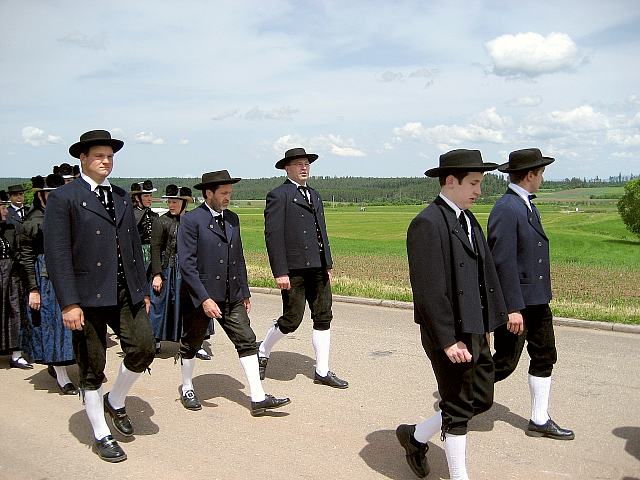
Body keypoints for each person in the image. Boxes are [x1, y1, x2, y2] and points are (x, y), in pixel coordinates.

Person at [44, 130, 156, 463]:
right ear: (83, 158)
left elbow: (134, 247)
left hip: (125, 292)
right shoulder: (64, 198)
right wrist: (69, 302)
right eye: (98, 156)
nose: (105, 161)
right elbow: (58, 254)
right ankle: (101, 433)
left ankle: (116, 400)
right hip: (86, 295)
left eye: (109, 156)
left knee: (144, 348)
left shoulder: (121, 196)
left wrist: (142, 290)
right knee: (92, 366)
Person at [399, 149, 507, 480]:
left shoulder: (469, 219)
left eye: (480, 183)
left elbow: (483, 276)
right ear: (450, 181)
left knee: (482, 398)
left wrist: (488, 324)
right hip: (447, 334)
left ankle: (415, 436)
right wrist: (448, 340)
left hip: (474, 328)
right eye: (473, 183)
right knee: (459, 407)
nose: (478, 190)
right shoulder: (427, 224)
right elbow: (429, 292)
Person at [177, 170, 290, 416]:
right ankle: (187, 386)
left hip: (231, 295)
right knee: (192, 341)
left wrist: (244, 291)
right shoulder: (191, 221)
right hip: (200, 296)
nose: (228, 197)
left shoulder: (233, 219)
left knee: (247, 339)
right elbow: (186, 264)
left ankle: (258, 397)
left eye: (230, 192)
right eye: (224, 193)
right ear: (208, 193)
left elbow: (237, 258)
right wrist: (204, 298)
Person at [488, 148, 574, 441]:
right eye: (540, 173)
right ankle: (455, 405)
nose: (542, 178)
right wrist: (512, 307)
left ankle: (539, 419)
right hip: (519, 305)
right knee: (503, 363)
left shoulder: (525, 205)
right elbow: (502, 261)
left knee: (545, 354)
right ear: (529, 175)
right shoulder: (507, 208)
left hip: (537, 301)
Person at [258, 147, 348, 389]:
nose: (304, 167)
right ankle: (263, 349)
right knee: (291, 319)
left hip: (317, 267)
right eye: (299, 164)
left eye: (307, 163)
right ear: (287, 168)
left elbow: (322, 231)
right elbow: (273, 236)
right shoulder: (278, 195)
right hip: (294, 269)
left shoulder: (315, 195)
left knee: (323, 316)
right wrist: (280, 271)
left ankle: (322, 370)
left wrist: (327, 263)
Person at [19, 173, 77, 394]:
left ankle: (64, 365)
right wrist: (33, 289)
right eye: (50, 195)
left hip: (68, 273)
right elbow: (25, 257)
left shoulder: (66, 216)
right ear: (41, 196)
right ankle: (62, 375)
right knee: (53, 326)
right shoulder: (32, 222)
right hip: (45, 280)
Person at [149, 185, 191, 350]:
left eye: (175, 202)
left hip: (186, 270)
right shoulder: (161, 221)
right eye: (169, 202)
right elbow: (155, 248)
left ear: (183, 203)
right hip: (167, 268)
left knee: (188, 306)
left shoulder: (191, 221)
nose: (171, 205)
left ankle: (193, 342)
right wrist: (157, 274)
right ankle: (155, 339)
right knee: (159, 305)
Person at [0, 190, 31, 369]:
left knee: (15, 310)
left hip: (11, 275)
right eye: (3, 207)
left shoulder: (10, 229)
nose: (6, 212)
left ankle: (16, 353)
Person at [130, 180, 159, 273]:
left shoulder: (154, 215)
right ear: (137, 198)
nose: (149, 199)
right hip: (136, 256)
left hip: (153, 256)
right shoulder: (130, 215)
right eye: (146, 196)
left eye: (150, 195)